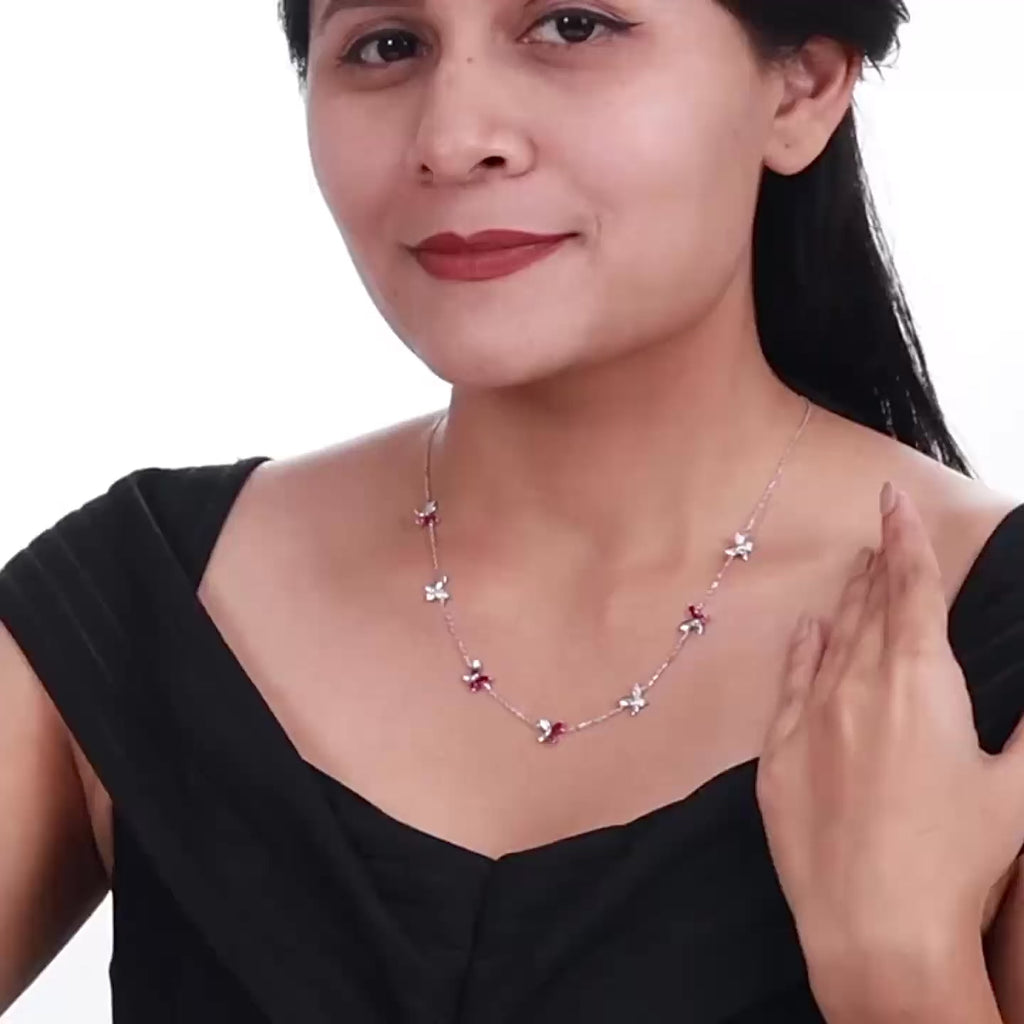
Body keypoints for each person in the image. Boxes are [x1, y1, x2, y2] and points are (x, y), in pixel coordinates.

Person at [2, 0, 1023, 1020]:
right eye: (387, 45)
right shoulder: (139, 603)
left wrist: (899, 966)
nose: (452, 140)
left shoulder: (990, 650)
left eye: (572, 26)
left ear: (802, 87)